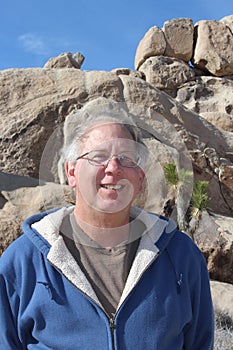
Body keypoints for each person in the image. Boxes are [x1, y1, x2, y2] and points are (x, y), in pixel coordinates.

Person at [0, 99, 214, 349]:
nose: (113, 168)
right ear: (71, 173)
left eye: (125, 158)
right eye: (98, 156)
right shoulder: (23, 261)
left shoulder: (181, 256)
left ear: (140, 179)